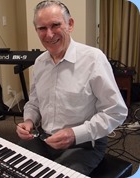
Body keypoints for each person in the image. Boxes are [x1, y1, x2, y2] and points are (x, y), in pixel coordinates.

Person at [16, 0, 128, 176]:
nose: (49, 34)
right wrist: (29, 121)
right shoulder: (39, 62)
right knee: (10, 167)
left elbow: (116, 112)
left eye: (55, 25)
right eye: (42, 28)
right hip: (44, 138)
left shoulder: (94, 59)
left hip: (85, 145)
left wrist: (74, 134)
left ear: (70, 24)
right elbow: (34, 102)